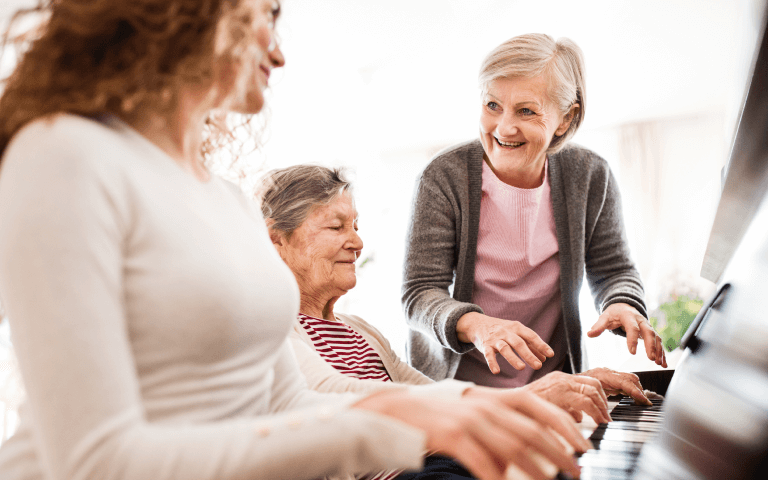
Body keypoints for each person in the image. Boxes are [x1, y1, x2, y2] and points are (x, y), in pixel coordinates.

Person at [0, 3, 585, 480]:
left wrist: (484, 405)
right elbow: (95, 461)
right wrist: (409, 423)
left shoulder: (225, 199)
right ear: (188, 13)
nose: (277, 52)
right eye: (266, 16)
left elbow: (286, 403)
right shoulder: (63, 156)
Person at [259, 164, 650, 427]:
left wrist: (568, 386)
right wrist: (534, 398)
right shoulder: (270, 330)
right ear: (277, 239)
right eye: (336, 227)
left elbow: (438, 399)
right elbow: (332, 393)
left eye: (356, 225)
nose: (358, 242)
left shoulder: (362, 331)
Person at [402, 33, 667, 392]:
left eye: (526, 111)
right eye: (492, 105)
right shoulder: (443, 178)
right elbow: (420, 293)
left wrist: (622, 302)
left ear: (564, 118)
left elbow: (615, 269)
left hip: (553, 384)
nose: (504, 127)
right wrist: (479, 326)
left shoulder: (589, 175)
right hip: (460, 392)